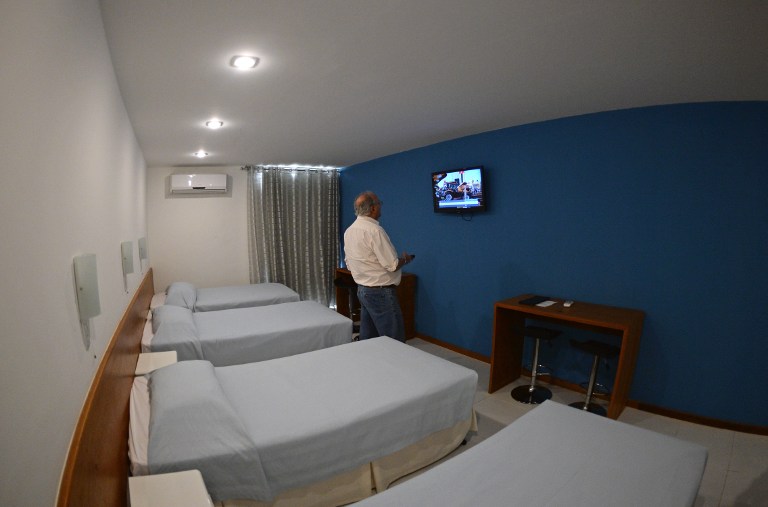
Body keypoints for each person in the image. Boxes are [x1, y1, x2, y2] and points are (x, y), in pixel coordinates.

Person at [343, 191, 414, 342]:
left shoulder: (349, 231)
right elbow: (392, 265)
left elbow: (349, 264)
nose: (381, 206)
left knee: (369, 339)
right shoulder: (375, 231)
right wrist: (405, 260)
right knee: (394, 340)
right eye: (379, 203)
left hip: (363, 290)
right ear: (373, 208)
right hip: (380, 292)